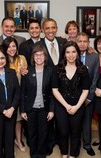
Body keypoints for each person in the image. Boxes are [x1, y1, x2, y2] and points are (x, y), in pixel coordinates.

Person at [34, 18, 67, 155]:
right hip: (45, 86)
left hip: (62, 86)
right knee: (47, 117)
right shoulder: (38, 44)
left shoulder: (63, 42)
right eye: (47, 28)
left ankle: (60, 141)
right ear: (42, 30)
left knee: (60, 115)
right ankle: (49, 143)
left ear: (57, 28)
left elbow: (74, 53)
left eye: (53, 27)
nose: (50, 31)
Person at [52, 41, 90, 158]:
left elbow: (85, 90)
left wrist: (77, 107)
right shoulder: (57, 68)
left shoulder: (83, 69)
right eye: (68, 52)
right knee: (63, 131)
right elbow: (55, 89)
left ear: (77, 53)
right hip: (61, 105)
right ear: (64, 54)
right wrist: (66, 106)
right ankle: (64, 154)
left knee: (75, 132)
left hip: (78, 105)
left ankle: (73, 155)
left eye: (73, 52)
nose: (71, 55)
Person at [20, 45, 55, 158]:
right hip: (30, 109)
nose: (39, 57)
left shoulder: (50, 71)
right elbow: (22, 92)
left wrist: (51, 110)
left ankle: (41, 154)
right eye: (36, 54)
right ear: (33, 56)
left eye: (41, 54)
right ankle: (34, 154)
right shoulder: (26, 71)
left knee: (43, 133)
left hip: (44, 109)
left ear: (45, 56)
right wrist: (23, 110)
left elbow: (53, 93)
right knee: (32, 133)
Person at [2, 37, 28, 152]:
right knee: (7, 120)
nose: (11, 49)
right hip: (6, 96)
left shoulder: (22, 58)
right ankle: (8, 141)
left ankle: (18, 140)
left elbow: (27, 75)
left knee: (18, 120)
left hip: (20, 94)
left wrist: (25, 72)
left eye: (13, 46)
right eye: (8, 47)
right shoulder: (2, 61)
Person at [76, 32, 99, 156]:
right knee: (74, 122)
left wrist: (90, 97)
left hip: (89, 97)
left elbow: (95, 77)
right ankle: (75, 144)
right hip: (74, 97)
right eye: (80, 41)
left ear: (88, 43)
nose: (82, 44)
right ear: (76, 42)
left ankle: (87, 144)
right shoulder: (71, 54)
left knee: (86, 121)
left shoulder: (94, 56)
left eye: (85, 41)